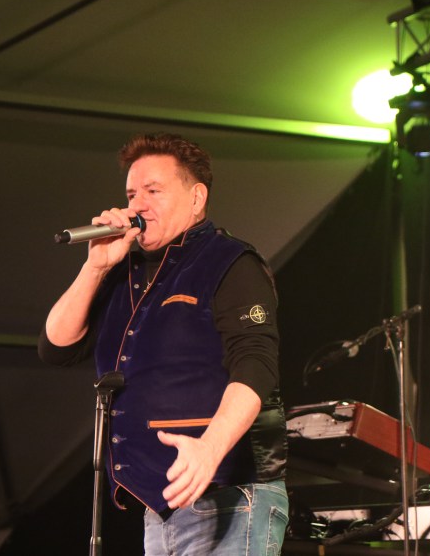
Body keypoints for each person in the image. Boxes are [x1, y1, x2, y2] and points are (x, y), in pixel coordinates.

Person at [40, 132, 289, 555]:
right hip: (160, 505)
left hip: (231, 495)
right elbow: (56, 347)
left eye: (153, 191)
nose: (137, 205)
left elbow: (256, 362)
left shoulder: (231, 262)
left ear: (196, 198)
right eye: (131, 194)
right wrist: (95, 267)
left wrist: (210, 447)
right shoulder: (122, 270)